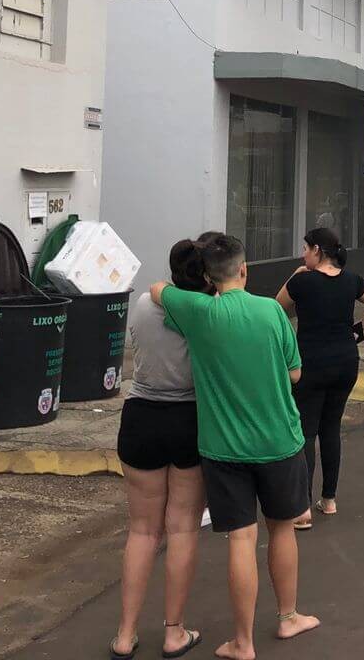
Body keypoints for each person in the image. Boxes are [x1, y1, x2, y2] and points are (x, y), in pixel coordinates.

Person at [151, 234, 320, 657]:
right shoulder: (270, 312)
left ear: (208, 277)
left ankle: (242, 642)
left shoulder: (198, 312)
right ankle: (288, 618)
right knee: (282, 529)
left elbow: (157, 290)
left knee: (241, 540)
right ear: (244, 269)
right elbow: (296, 374)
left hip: (223, 449)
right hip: (281, 441)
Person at [111, 239, 212, 660]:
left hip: (141, 418)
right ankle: (174, 632)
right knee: (182, 526)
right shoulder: (208, 314)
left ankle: (124, 634)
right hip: (190, 420)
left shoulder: (141, 305)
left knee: (141, 530)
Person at [277, 227, 364, 530]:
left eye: (305, 249)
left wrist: (295, 275)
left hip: (310, 364)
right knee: (330, 428)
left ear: (317, 250)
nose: (303, 254)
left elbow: (276, 308)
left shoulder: (302, 281)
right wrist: (358, 330)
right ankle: (329, 500)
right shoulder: (351, 281)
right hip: (344, 362)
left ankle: (302, 508)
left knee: (306, 431)